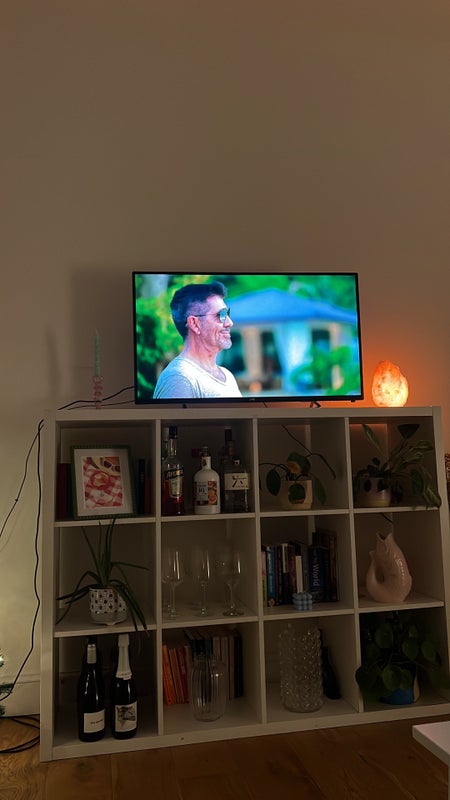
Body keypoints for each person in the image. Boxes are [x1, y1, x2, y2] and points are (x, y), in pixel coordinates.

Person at [153, 281, 242, 399]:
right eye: (221, 315)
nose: (229, 322)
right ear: (195, 324)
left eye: (227, 314)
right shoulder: (179, 378)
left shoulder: (227, 375)